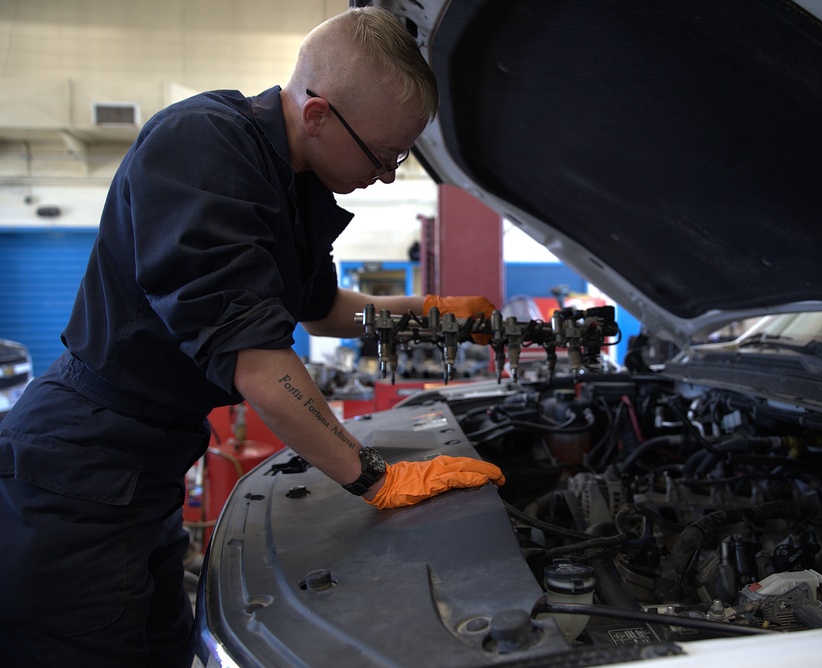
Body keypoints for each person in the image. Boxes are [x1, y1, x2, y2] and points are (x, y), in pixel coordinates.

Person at [0, 7, 504, 667]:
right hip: (75, 471)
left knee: (164, 653)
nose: (386, 175)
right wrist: (374, 478)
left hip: (141, 475)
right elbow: (258, 364)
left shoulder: (293, 185)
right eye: (382, 155)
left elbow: (323, 309)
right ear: (319, 114)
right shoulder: (202, 148)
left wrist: (433, 314)